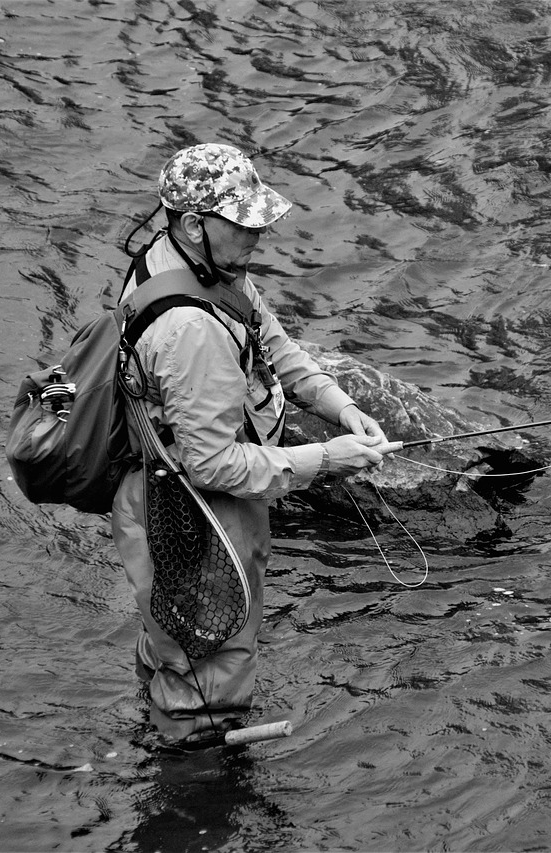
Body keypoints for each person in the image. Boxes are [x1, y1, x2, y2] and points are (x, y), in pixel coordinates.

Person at [112, 142, 400, 742]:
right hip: (197, 511)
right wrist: (326, 459)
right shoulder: (189, 328)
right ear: (194, 224)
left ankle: (161, 722)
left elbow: (275, 345)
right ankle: (195, 776)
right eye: (245, 223)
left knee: (177, 641)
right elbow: (214, 464)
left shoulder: (189, 266)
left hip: (177, 491)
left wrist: (339, 406)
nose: (260, 233)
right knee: (211, 656)